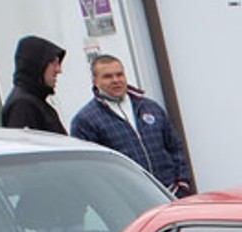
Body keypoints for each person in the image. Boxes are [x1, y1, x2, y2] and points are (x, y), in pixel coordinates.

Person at [70, 54, 194, 196]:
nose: (116, 80)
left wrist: (182, 184)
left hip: (170, 193)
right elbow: (89, 170)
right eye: (108, 76)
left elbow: (175, 148)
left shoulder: (150, 107)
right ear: (95, 81)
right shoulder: (86, 120)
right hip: (129, 200)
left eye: (119, 74)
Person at [0, 35, 66, 133]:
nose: (59, 70)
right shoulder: (22, 106)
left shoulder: (35, 101)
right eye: (53, 63)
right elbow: (26, 145)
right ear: (37, 65)